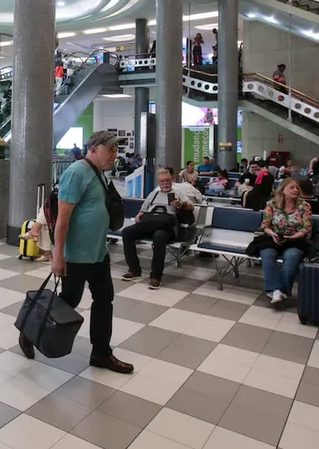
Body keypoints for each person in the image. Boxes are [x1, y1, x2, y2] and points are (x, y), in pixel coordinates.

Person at [19, 131, 133, 374]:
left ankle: (101, 353)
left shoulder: (100, 174)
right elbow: (62, 220)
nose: (115, 155)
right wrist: (58, 256)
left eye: (115, 150)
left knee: (104, 301)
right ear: (93, 149)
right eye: (110, 149)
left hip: (98, 253)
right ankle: (28, 333)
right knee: (68, 302)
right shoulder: (76, 173)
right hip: (76, 255)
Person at [121, 168, 202, 289]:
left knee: (159, 237)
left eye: (168, 180)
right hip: (150, 223)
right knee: (127, 232)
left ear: (172, 180)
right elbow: (143, 209)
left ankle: (156, 276)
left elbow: (191, 207)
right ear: (158, 182)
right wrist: (140, 214)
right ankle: (134, 270)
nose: (165, 183)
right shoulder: (154, 194)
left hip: (168, 226)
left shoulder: (178, 193)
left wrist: (181, 205)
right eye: (162, 181)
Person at [259, 179, 313, 304]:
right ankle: (278, 290)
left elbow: (307, 228)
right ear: (282, 190)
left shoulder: (304, 206)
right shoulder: (272, 204)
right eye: (292, 187)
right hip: (275, 237)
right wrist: (272, 233)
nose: (296, 190)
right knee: (267, 254)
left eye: (297, 188)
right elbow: (265, 225)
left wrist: (293, 237)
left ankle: (279, 291)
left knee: (291, 256)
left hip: (296, 240)